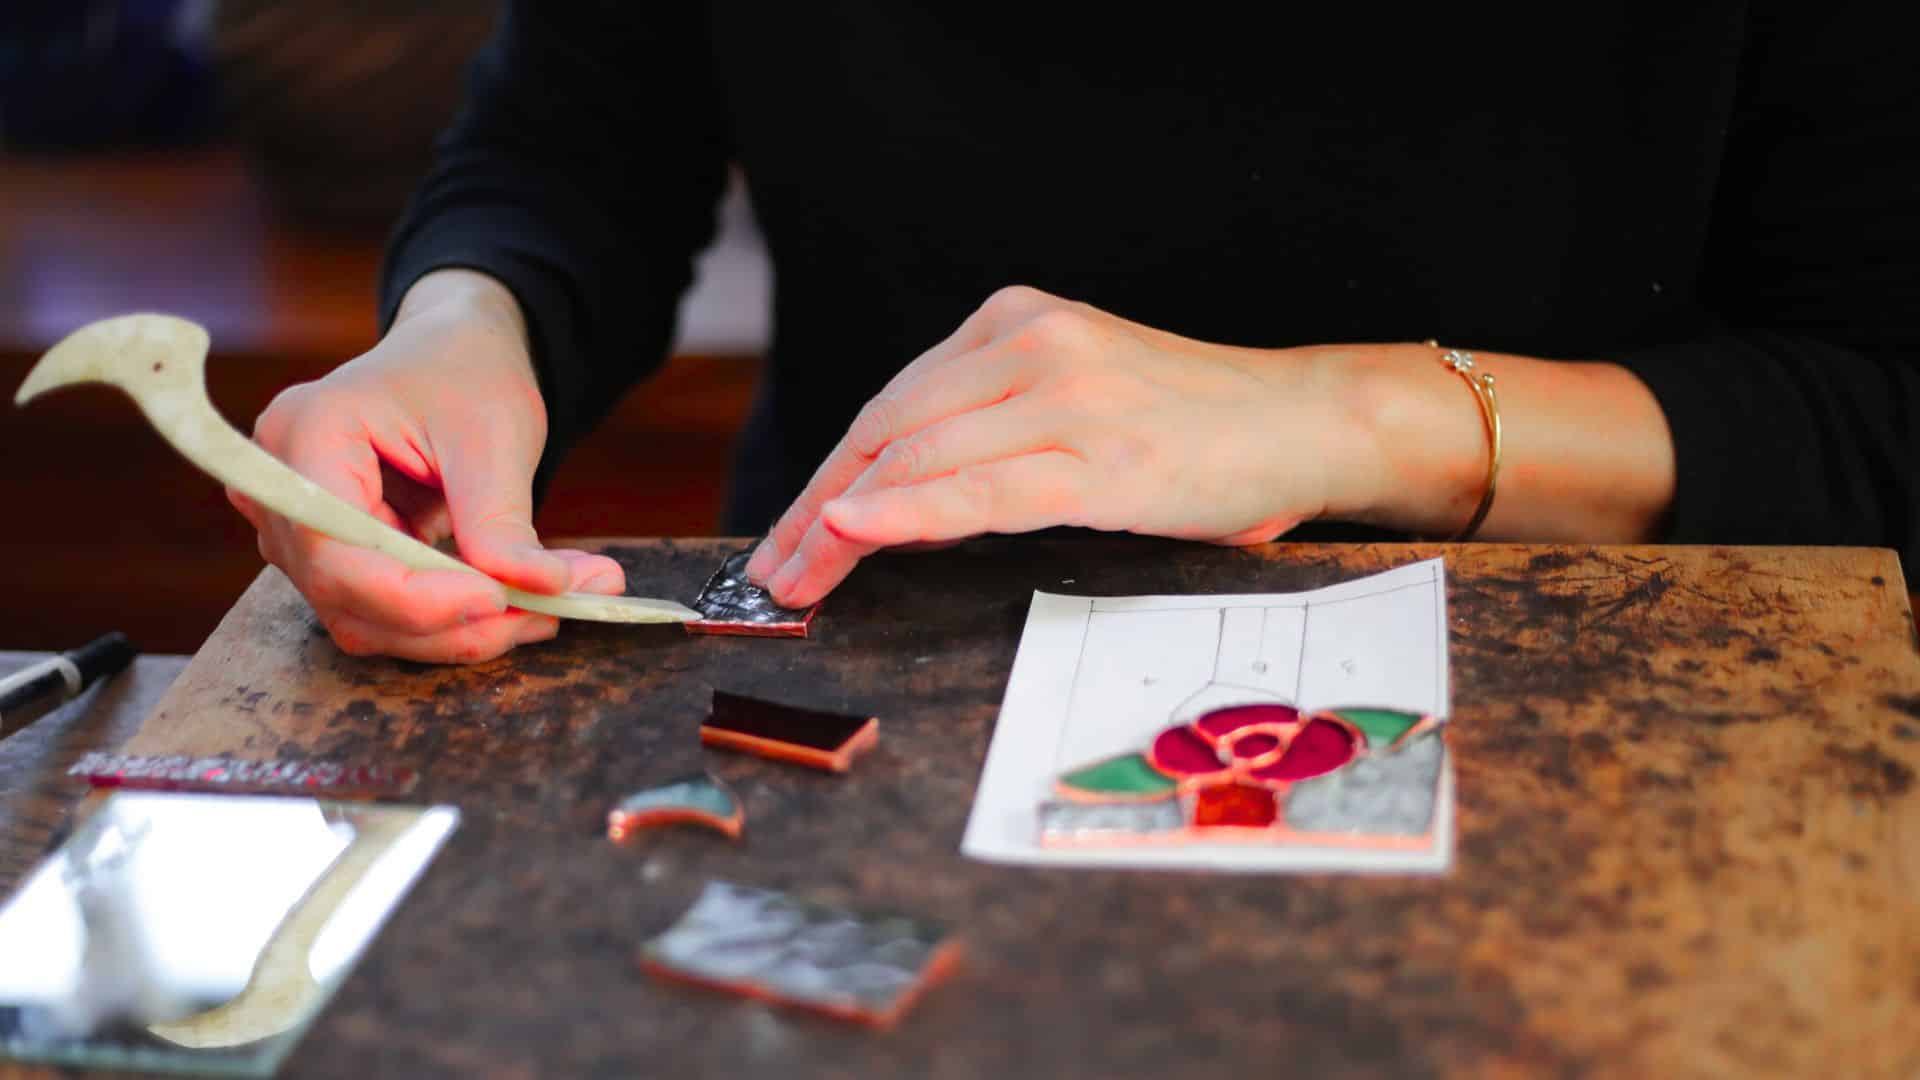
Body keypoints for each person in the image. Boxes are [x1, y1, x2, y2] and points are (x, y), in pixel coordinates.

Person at [228, 4, 1919, 664]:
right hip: (855, 646)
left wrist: (1357, 418)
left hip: (1588, 702)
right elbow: (570, 148)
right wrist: (463, 331)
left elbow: (1878, 408)